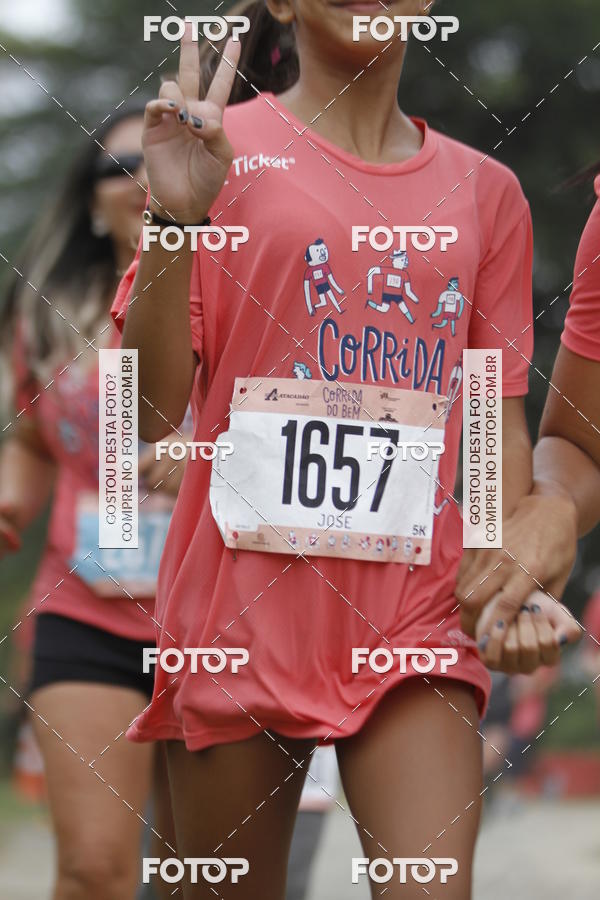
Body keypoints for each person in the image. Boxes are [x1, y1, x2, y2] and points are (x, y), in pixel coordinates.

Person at [113, 3, 579, 897]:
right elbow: (145, 414)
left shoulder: (487, 192)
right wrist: (177, 221)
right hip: (239, 609)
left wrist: (505, 585)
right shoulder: (212, 145)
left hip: (418, 616)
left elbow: (493, 421)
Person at [0, 109, 179, 900]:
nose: (144, 175)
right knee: (94, 871)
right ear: (89, 196)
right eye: (123, 163)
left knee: (204, 877)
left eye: (164, 156)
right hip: (86, 613)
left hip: (227, 621)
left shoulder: (254, 288)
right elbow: (33, 440)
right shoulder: (45, 315)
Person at [457, 168, 600, 658]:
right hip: (247, 586)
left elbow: (489, 396)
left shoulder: (486, 191)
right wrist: (548, 508)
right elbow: (581, 444)